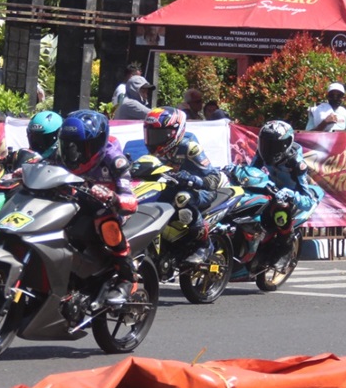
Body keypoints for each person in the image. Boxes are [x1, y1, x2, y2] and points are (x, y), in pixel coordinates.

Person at [57, 110, 138, 305]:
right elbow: (41, 165)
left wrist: (112, 197)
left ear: (97, 143)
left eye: (81, 147)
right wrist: (23, 170)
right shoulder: (60, 154)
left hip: (108, 208)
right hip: (74, 203)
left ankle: (127, 277)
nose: (73, 153)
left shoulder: (115, 160)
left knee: (104, 219)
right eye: (69, 145)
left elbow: (130, 199)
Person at [143, 106, 224, 264]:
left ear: (176, 131)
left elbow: (214, 178)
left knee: (182, 198)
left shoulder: (190, 148)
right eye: (151, 134)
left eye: (160, 135)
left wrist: (192, 179)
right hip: (172, 188)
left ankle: (204, 245)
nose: (154, 140)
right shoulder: (154, 154)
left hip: (201, 190)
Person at [251, 120, 321, 264]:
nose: (268, 149)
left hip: (293, 195)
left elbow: (308, 200)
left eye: (274, 146)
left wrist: (291, 194)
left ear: (286, 144)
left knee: (280, 210)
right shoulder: (261, 153)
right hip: (273, 189)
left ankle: (285, 246)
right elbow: (252, 171)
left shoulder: (296, 163)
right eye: (266, 144)